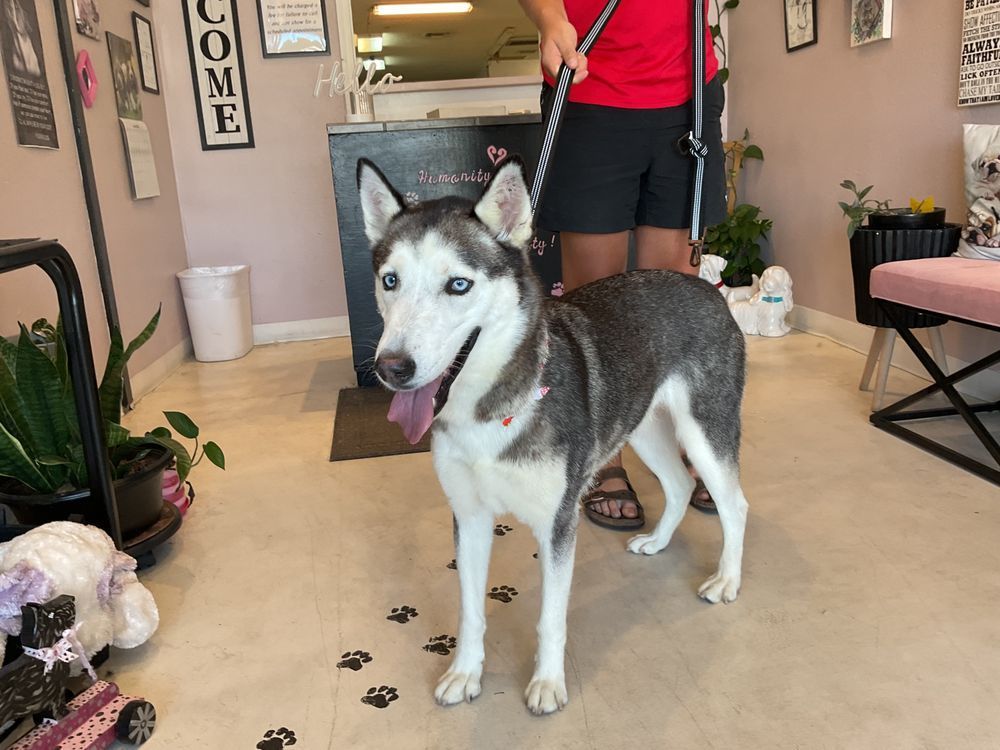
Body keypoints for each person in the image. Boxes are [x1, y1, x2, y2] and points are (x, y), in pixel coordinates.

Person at [519, 0, 726, 528]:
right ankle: (602, 454)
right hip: (591, 87)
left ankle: (678, 443)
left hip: (688, 96)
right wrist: (549, 20)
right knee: (596, 301)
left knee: (672, 300)